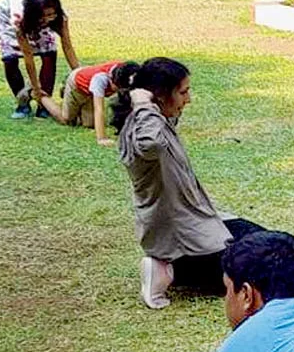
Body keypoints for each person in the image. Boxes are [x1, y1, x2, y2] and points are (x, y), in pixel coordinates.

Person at [111, 58, 263, 309]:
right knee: (255, 273)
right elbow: (151, 143)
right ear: (159, 96)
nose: (188, 99)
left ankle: (175, 268)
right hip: (182, 240)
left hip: (198, 222)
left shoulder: (157, 119)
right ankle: (168, 270)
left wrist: (146, 100)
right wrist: (141, 102)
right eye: (182, 92)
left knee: (273, 245)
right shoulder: (143, 128)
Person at [0, 0, 79, 119]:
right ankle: (23, 103)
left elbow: (67, 45)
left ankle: (44, 106)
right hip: (7, 16)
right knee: (10, 58)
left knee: (49, 53)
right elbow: (28, 55)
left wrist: (79, 74)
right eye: (45, 16)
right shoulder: (19, 19)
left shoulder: (59, 16)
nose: (49, 19)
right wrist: (35, 86)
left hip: (33, 17)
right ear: (36, 14)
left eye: (52, 14)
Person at [38, 60, 133, 146]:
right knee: (67, 119)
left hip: (90, 90)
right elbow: (98, 108)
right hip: (77, 85)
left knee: (89, 124)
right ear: (112, 80)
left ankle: (74, 104)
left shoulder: (126, 71)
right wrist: (102, 138)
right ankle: (39, 95)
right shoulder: (100, 79)